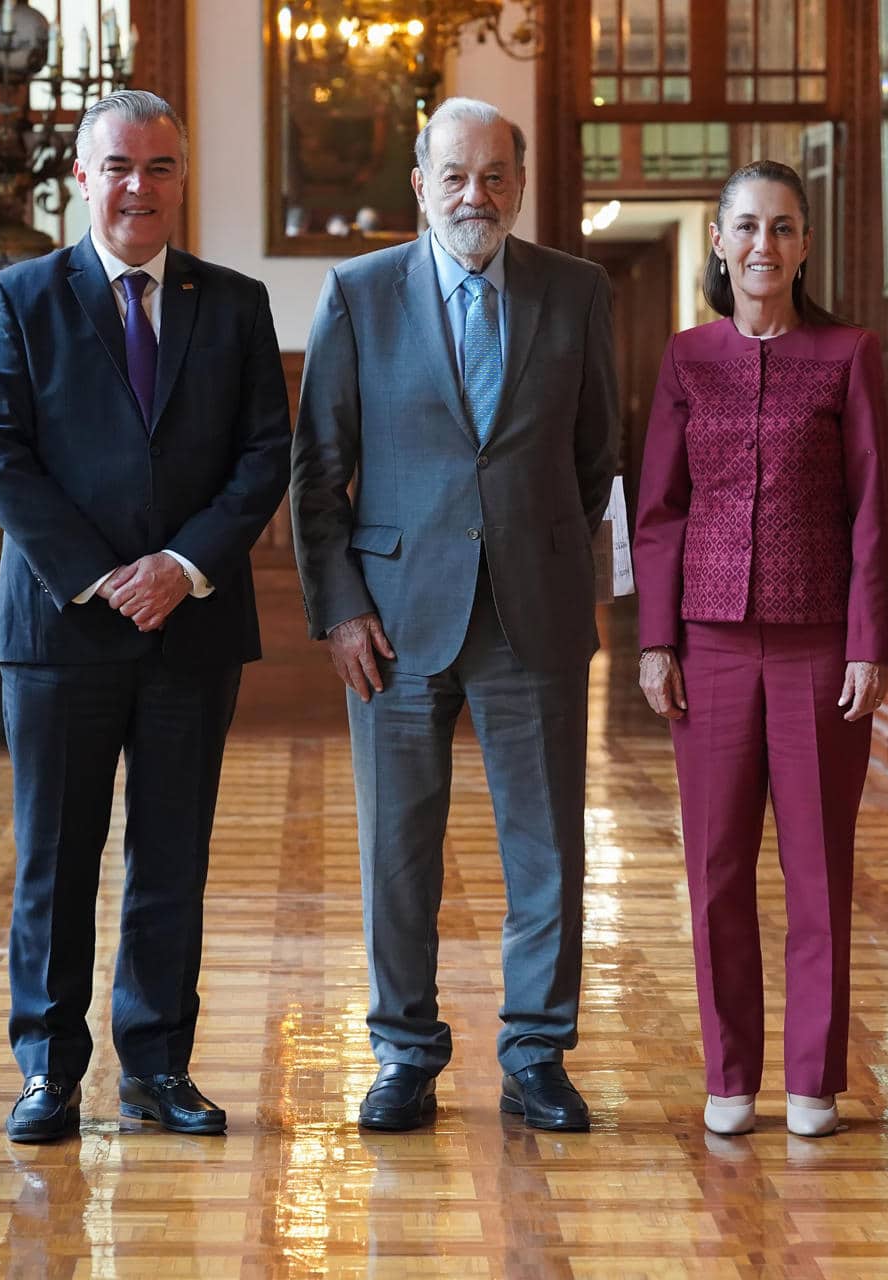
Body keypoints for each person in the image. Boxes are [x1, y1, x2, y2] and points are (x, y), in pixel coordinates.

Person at [0, 89, 291, 1144]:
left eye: (158, 166)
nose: (138, 186)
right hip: (61, 630)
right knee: (55, 860)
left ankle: (156, 1067)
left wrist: (181, 566)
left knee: (172, 857)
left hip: (192, 624)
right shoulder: (19, 297)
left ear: (181, 177)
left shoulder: (233, 304)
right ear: (82, 177)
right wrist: (107, 576)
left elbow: (265, 455)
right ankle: (47, 1070)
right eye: (118, 166)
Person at [290, 97, 618, 1133]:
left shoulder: (577, 290)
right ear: (420, 187)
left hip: (534, 612)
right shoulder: (359, 293)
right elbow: (318, 470)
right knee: (397, 853)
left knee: (548, 850)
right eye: (455, 176)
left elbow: (596, 451)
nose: (475, 195)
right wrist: (342, 609)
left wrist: (540, 543)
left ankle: (536, 1054)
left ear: (519, 185)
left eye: (494, 176)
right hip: (392, 621)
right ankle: (403, 1052)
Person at [632, 160, 888, 1139]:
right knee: (716, 871)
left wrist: (870, 642)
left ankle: (814, 1081)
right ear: (718, 241)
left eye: (782, 227)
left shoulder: (848, 353)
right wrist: (656, 639)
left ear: (805, 244)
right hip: (708, 649)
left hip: (820, 648)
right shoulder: (687, 358)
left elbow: (871, 507)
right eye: (746, 227)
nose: (763, 246)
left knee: (819, 871)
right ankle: (730, 1074)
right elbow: (660, 511)